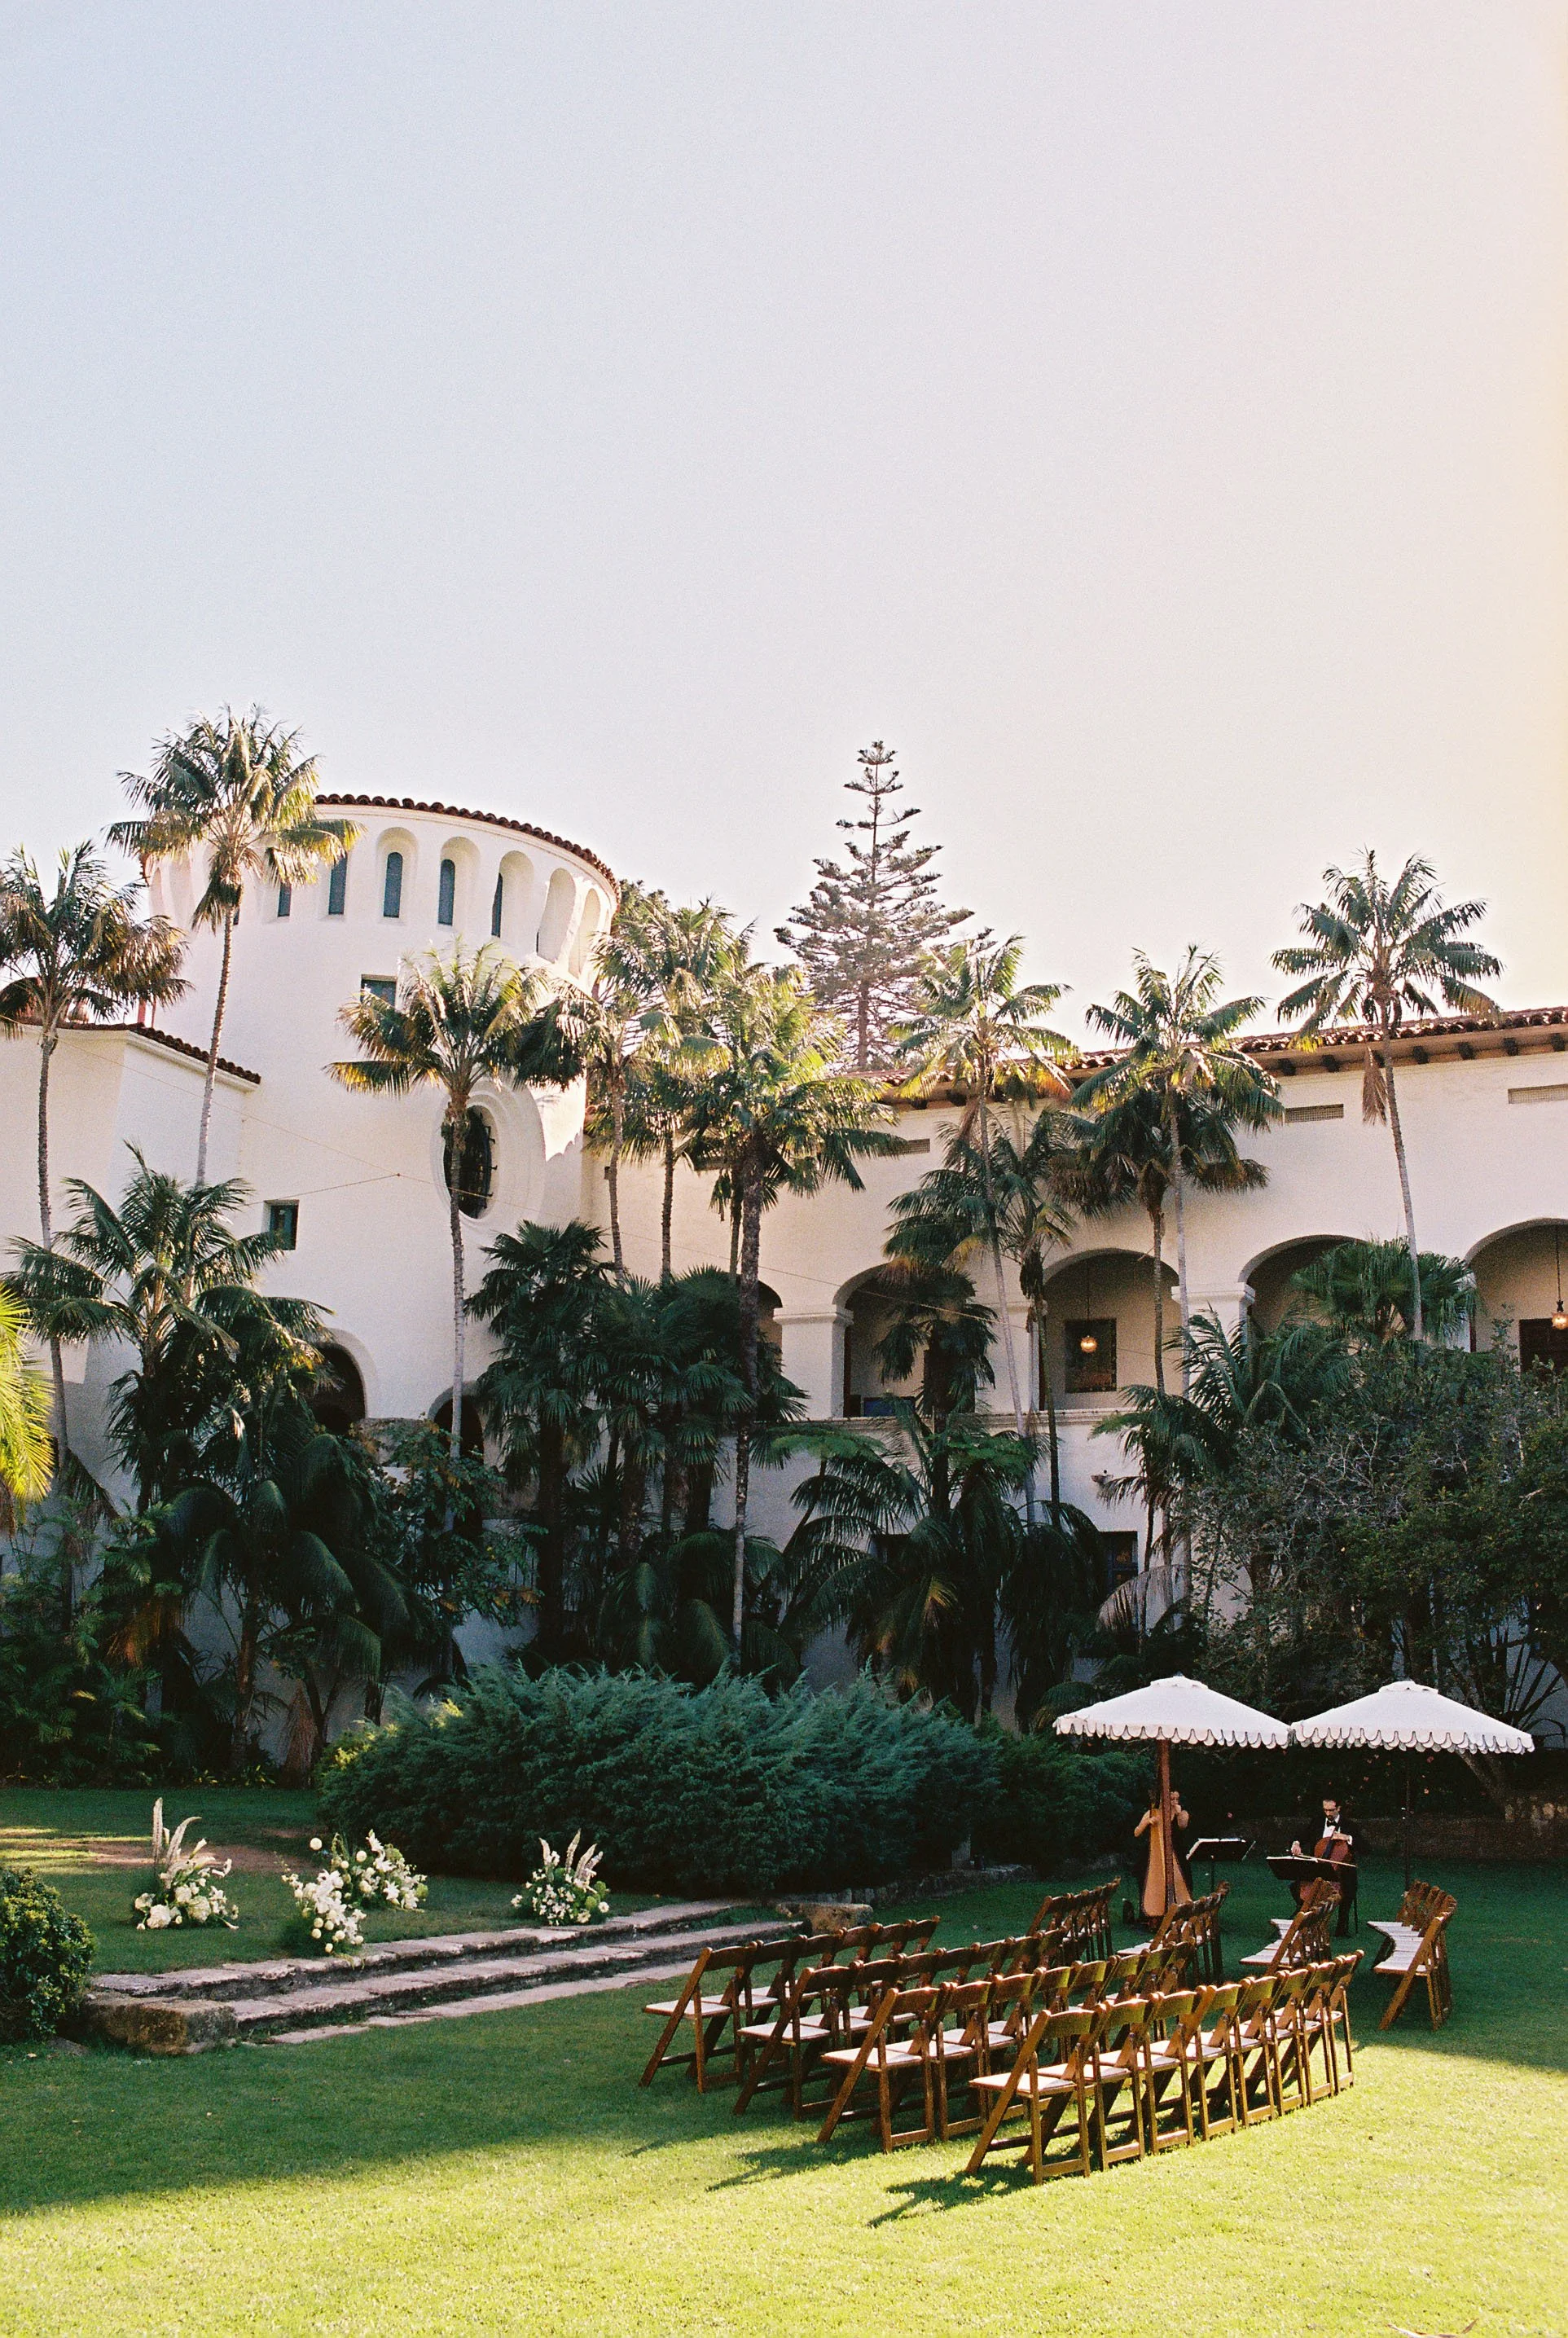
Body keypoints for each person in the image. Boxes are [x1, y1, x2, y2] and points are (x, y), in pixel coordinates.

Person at [1290, 1795, 1357, 1935]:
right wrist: (1296, 1843)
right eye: (1325, 1810)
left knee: (1348, 1887)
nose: (1328, 1814)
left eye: (1331, 1810)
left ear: (1339, 1808)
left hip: (1341, 1870)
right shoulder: (1317, 1822)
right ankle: (1305, 1911)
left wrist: (1348, 1838)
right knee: (1295, 1886)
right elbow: (1302, 1835)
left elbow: (1366, 1848)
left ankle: (1342, 1923)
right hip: (1318, 1867)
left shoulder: (1350, 1825)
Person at [1133, 1791, 1191, 1921]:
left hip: (1176, 1852)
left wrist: (1178, 1813)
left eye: (1177, 1799)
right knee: (1145, 1873)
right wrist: (1147, 1822)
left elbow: (1182, 1826)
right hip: (1154, 1851)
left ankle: (1180, 1911)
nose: (1175, 1802)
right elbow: (1136, 1832)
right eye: (1172, 1799)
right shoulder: (1152, 1812)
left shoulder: (1182, 1813)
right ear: (1164, 1799)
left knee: (1183, 1874)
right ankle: (1150, 1914)